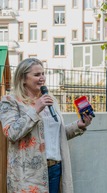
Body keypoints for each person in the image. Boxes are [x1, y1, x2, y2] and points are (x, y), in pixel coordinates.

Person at [0, 58, 93, 193]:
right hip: (29, 175)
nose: (42, 78)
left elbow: (56, 135)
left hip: (55, 168)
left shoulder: (50, 99)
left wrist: (79, 125)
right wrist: (36, 109)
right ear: (23, 78)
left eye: (43, 74)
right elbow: (11, 133)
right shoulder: (10, 101)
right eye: (37, 75)